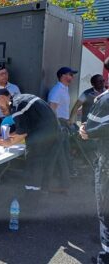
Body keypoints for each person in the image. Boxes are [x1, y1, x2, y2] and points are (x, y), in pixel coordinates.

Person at [0, 88, 69, 192]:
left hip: (42, 137)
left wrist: (7, 143)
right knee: (47, 166)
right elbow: (26, 127)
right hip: (54, 133)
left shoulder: (16, 106)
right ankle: (42, 193)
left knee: (34, 165)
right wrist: (9, 136)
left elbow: (22, 133)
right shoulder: (22, 99)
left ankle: (32, 196)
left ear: (1, 98)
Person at [79, 57, 109, 264]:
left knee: (105, 208)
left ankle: (106, 255)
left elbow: (89, 130)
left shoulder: (105, 100)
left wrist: (84, 130)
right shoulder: (90, 96)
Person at [48, 66, 79, 177]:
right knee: (63, 150)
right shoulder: (57, 90)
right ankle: (64, 175)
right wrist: (58, 125)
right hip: (59, 124)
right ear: (62, 76)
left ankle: (66, 173)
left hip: (64, 123)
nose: (72, 77)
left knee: (67, 149)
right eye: (70, 74)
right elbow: (52, 109)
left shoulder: (64, 89)